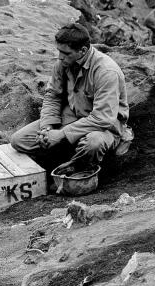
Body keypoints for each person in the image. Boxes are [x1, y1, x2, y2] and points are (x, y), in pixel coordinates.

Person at [11, 22, 131, 174]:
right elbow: (53, 96)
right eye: (59, 51)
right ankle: (67, 152)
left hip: (103, 126)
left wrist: (61, 134)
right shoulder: (63, 63)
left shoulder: (106, 72)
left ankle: (76, 166)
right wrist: (47, 128)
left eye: (66, 53)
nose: (60, 57)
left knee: (93, 143)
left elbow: (103, 118)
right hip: (72, 116)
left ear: (82, 50)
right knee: (19, 140)